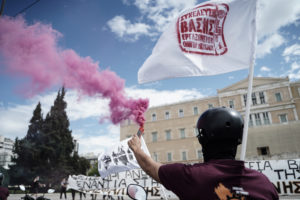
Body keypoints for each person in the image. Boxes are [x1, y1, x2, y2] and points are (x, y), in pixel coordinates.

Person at [128, 107, 279, 200]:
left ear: (203, 139)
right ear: (238, 139)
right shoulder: (264, 184)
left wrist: (136, 148)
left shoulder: (190, 176)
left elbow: (150, 167)